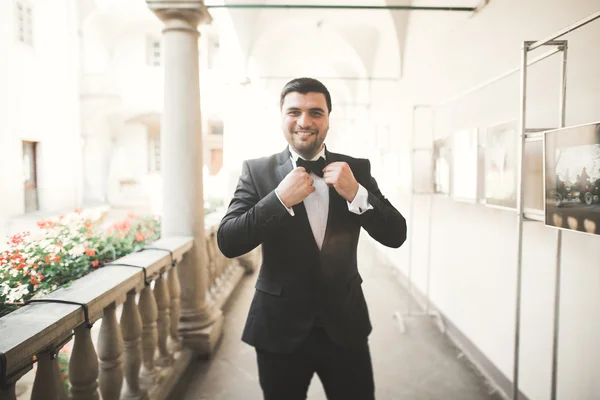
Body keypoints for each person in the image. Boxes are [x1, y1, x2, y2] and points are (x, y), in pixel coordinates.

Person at [217, 77, 407, 400]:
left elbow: (396, 233)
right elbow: (228, 240)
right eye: (294, 111)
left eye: (315, 112)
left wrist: (357, 193)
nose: (304, 121)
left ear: (329, 120)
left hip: (345, 327)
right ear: (282, 117)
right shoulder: (257, 171)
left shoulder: (356, 169)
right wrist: (278, 199)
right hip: (279, 330)